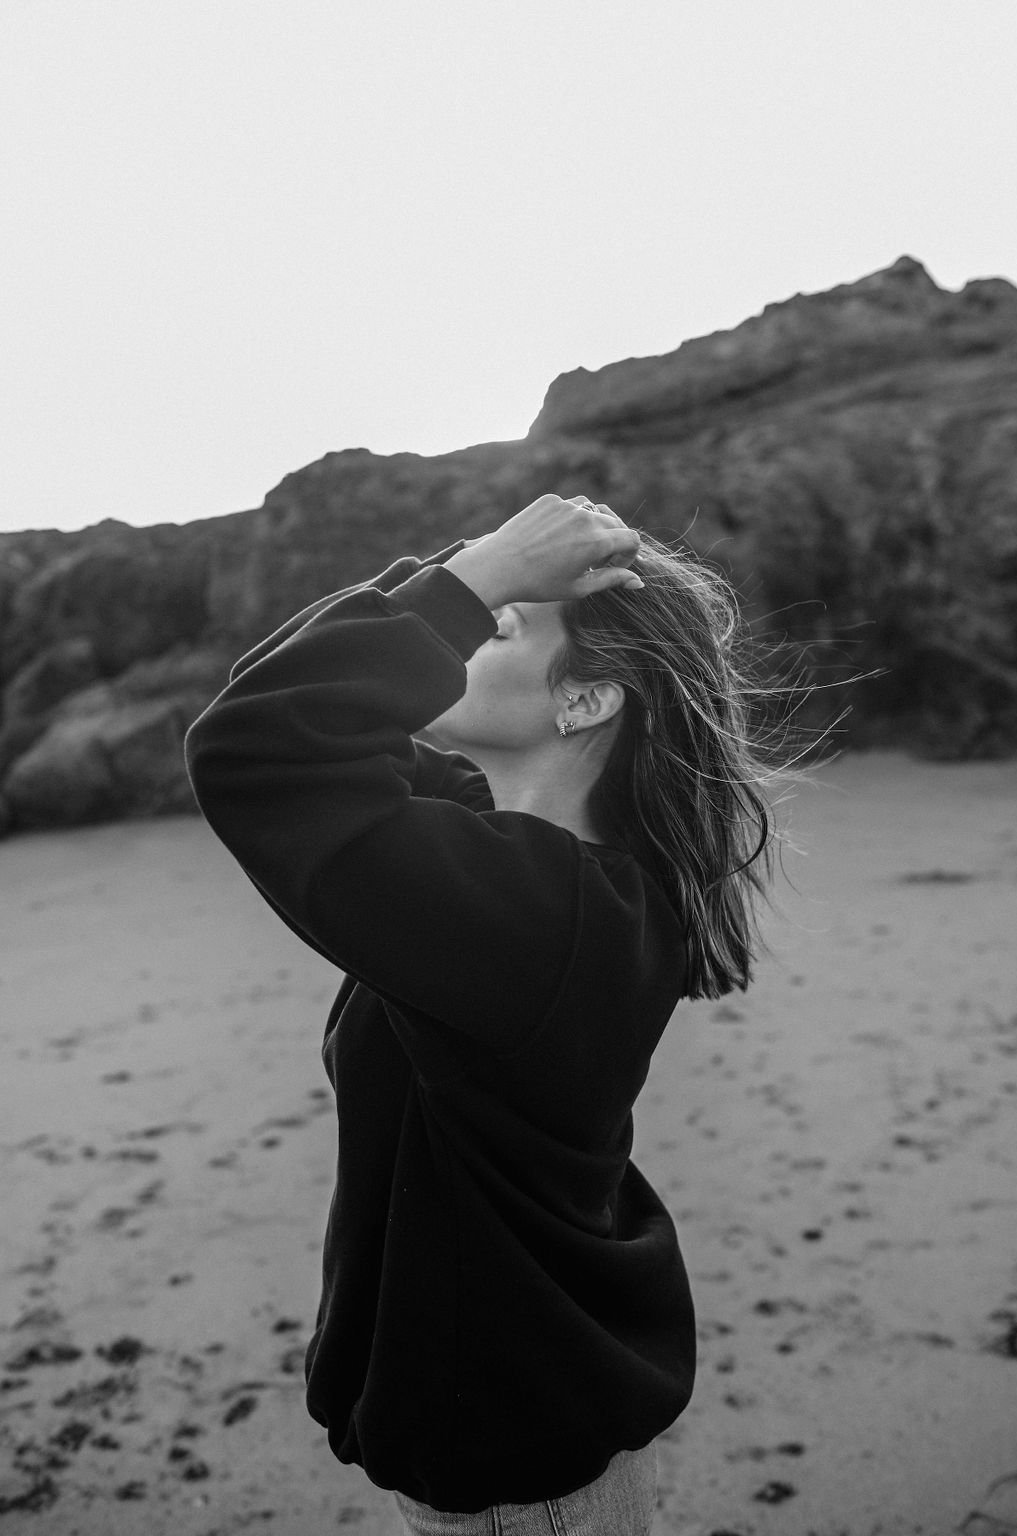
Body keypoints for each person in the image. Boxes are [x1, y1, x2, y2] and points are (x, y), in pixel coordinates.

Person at [184, 493, 779, 1535]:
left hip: (515, 1462)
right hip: (526, 1405)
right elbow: (272, 700)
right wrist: (471, 570)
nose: (476, 620)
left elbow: (255, 748)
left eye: (504, 624)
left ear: (588, 699)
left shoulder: (544, 912)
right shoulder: (535, 870)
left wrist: (480, 573)